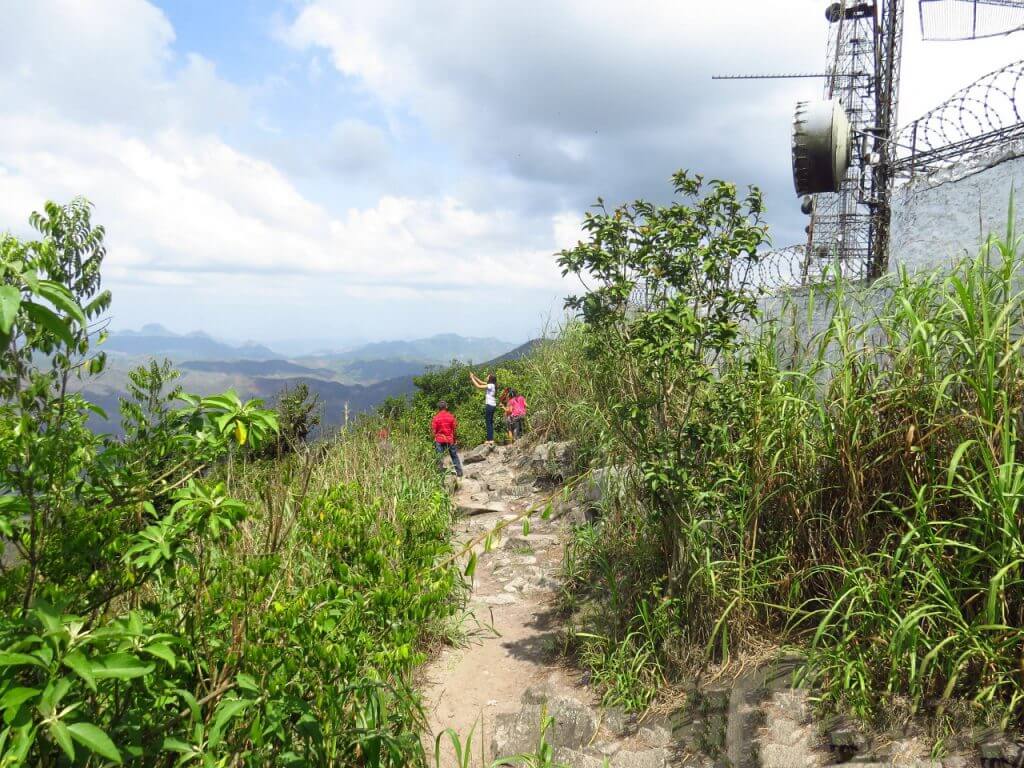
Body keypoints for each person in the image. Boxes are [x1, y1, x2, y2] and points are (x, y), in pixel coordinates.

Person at [431, 400, 463, 477]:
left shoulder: (436, 418)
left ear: (438, 408)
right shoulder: (451, 416)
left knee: (439, 457)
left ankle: (440, 474)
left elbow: (433, 431)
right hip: (449, 439)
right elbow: (454, 429)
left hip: (439, 440)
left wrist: (434, 440)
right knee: (454, 455)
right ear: (446, 407)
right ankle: (459, 472)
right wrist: (455, 439)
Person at [469, 371, 498, 445]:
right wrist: (474, 376)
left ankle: (490, 440)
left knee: (488, 422)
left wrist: (472, 378)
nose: (487, 377)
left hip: (490, 405)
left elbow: (479, 386)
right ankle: (490, 439)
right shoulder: (493, 384)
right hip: (493, 405)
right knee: (490, 422)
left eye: (488, 376)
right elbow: (481, 382)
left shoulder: (490, 385)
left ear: (490, 378)